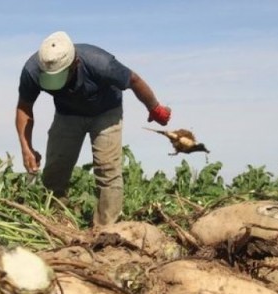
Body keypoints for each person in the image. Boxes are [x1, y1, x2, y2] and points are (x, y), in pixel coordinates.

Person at [15, 31, 171, 227]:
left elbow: (134, 80)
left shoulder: (100, 63)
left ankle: (105, 230)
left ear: (75, 64)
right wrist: (26, 147)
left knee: (107, 170)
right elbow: (24, 107)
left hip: (106, 112)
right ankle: (58, 221)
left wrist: (154, 108)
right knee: (55, 170)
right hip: (67, 114)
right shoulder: (33, 70)